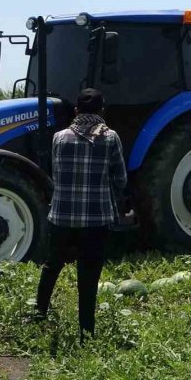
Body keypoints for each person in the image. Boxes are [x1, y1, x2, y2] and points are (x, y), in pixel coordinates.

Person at [35, 88, 127, 343]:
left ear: (76, 111)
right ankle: (86, 332)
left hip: (61, 217)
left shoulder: (59, 138)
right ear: (102, 112)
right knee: (88, 275)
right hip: (96, 220)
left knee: (52, 266)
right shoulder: (111, 138)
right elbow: (120, 178)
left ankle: (38, 313)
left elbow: (55, 173)